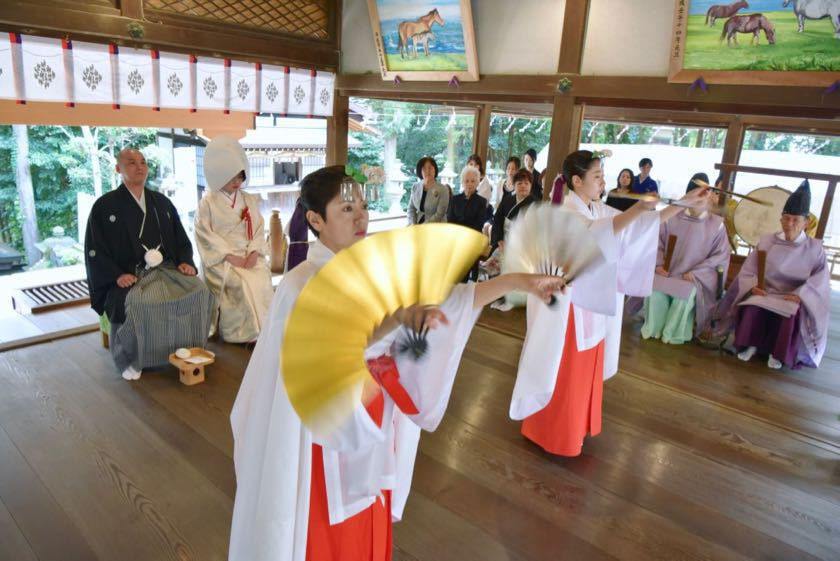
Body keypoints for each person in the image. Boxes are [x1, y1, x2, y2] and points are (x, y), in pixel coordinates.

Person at [228, 165, 564, 561]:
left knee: (371, 509)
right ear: (316, 219)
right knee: (330, 526)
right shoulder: (300, 284)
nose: (360, 217)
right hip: (325, 436)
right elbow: (330, 349)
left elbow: (448, 299)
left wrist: (517, 282)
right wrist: (398, 319)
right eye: (347, 209)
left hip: (373, 417)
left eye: (364, 206)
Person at [510, 150, 709, 456]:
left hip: (591, 303)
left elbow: (637, 227)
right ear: (577, 181)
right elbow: (605, 230)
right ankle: (553, 434)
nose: (603, 182)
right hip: (568, 308)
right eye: (597, 176)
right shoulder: (566, 211)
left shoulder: (594, 208)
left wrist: (683, 203)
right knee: (564, 374)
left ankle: (573, 431)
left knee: (582, 374)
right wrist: (640, 206)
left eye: (603, 175)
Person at [84, 148, 214, 381]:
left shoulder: (161, 202)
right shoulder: (104, 207)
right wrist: (116, 275)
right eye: (131, 162)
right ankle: (132, 358)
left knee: (200, 291)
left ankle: (189, 352)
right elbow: (95, 250)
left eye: (143, 162)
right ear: (118, 169)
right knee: (139, 302)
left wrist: (185, 262)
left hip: (166, 270)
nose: (139, 167)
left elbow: (180, 237)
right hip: (131, 275)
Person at [713, 180, 829, 370]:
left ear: (806, 223)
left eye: (795, 219)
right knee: (753, 306)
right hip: (764, 291)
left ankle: (778, 353)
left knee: (788, 313)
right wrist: (753, 287)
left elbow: (819, 281)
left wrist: (801, 295)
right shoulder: (767, 241)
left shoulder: (815, 249)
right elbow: (749, 269)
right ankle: (752, 345)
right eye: (786, 218)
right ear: (781, 218)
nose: (790, 223)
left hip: (792, 296)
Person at [195, 136, 273, 344]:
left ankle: (266, 330)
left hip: (248, 254)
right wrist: (231, 257)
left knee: (262, 278)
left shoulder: (248, 199)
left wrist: (254, 253)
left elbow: (258, 229)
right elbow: (205, 235)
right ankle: (243, 333)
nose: (237, 183)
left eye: (240, 177)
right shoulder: (207, 203)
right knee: (243, 283)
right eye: (232, 178)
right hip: (222, 259)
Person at [640, 172, 731, 345]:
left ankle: (673, 334)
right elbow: (656, 242)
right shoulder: (671, 217)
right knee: (654, 290)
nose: (698, 202)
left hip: (693, 277)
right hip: (667, 271)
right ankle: (654, 330)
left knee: (684, 296)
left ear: (708, 197)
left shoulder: (717, 224)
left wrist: (697, 273)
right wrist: (658, 265)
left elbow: (719, 257)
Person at [489, 169, 536, 311]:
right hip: (504, 241)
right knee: (493, 263)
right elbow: (497, 222)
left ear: (531, 185)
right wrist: (499, 241)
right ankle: (497, 296)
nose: (523, 186)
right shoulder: (507, 200)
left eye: (526, 183)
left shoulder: (534, 204)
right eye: (519, 183)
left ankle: (510, 299)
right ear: (514, 185)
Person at [448, 166, 488, 282]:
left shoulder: (481, 202)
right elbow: (450, 221)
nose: (469, 184)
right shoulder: (455, 199)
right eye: (467, 181)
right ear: (462, 181)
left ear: (477, 182)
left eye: (473, 181)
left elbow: (479, 224)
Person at [407, 156, 449, 224]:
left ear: (435, 169)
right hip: (417, 223)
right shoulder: (415, 187)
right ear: (420, 171)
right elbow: (411, 209)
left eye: (430, 168)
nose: (427, 171)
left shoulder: (443, 189)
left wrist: (423, 227)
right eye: (424, 168)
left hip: (436, 226)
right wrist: (413, 224)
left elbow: (440, 214)